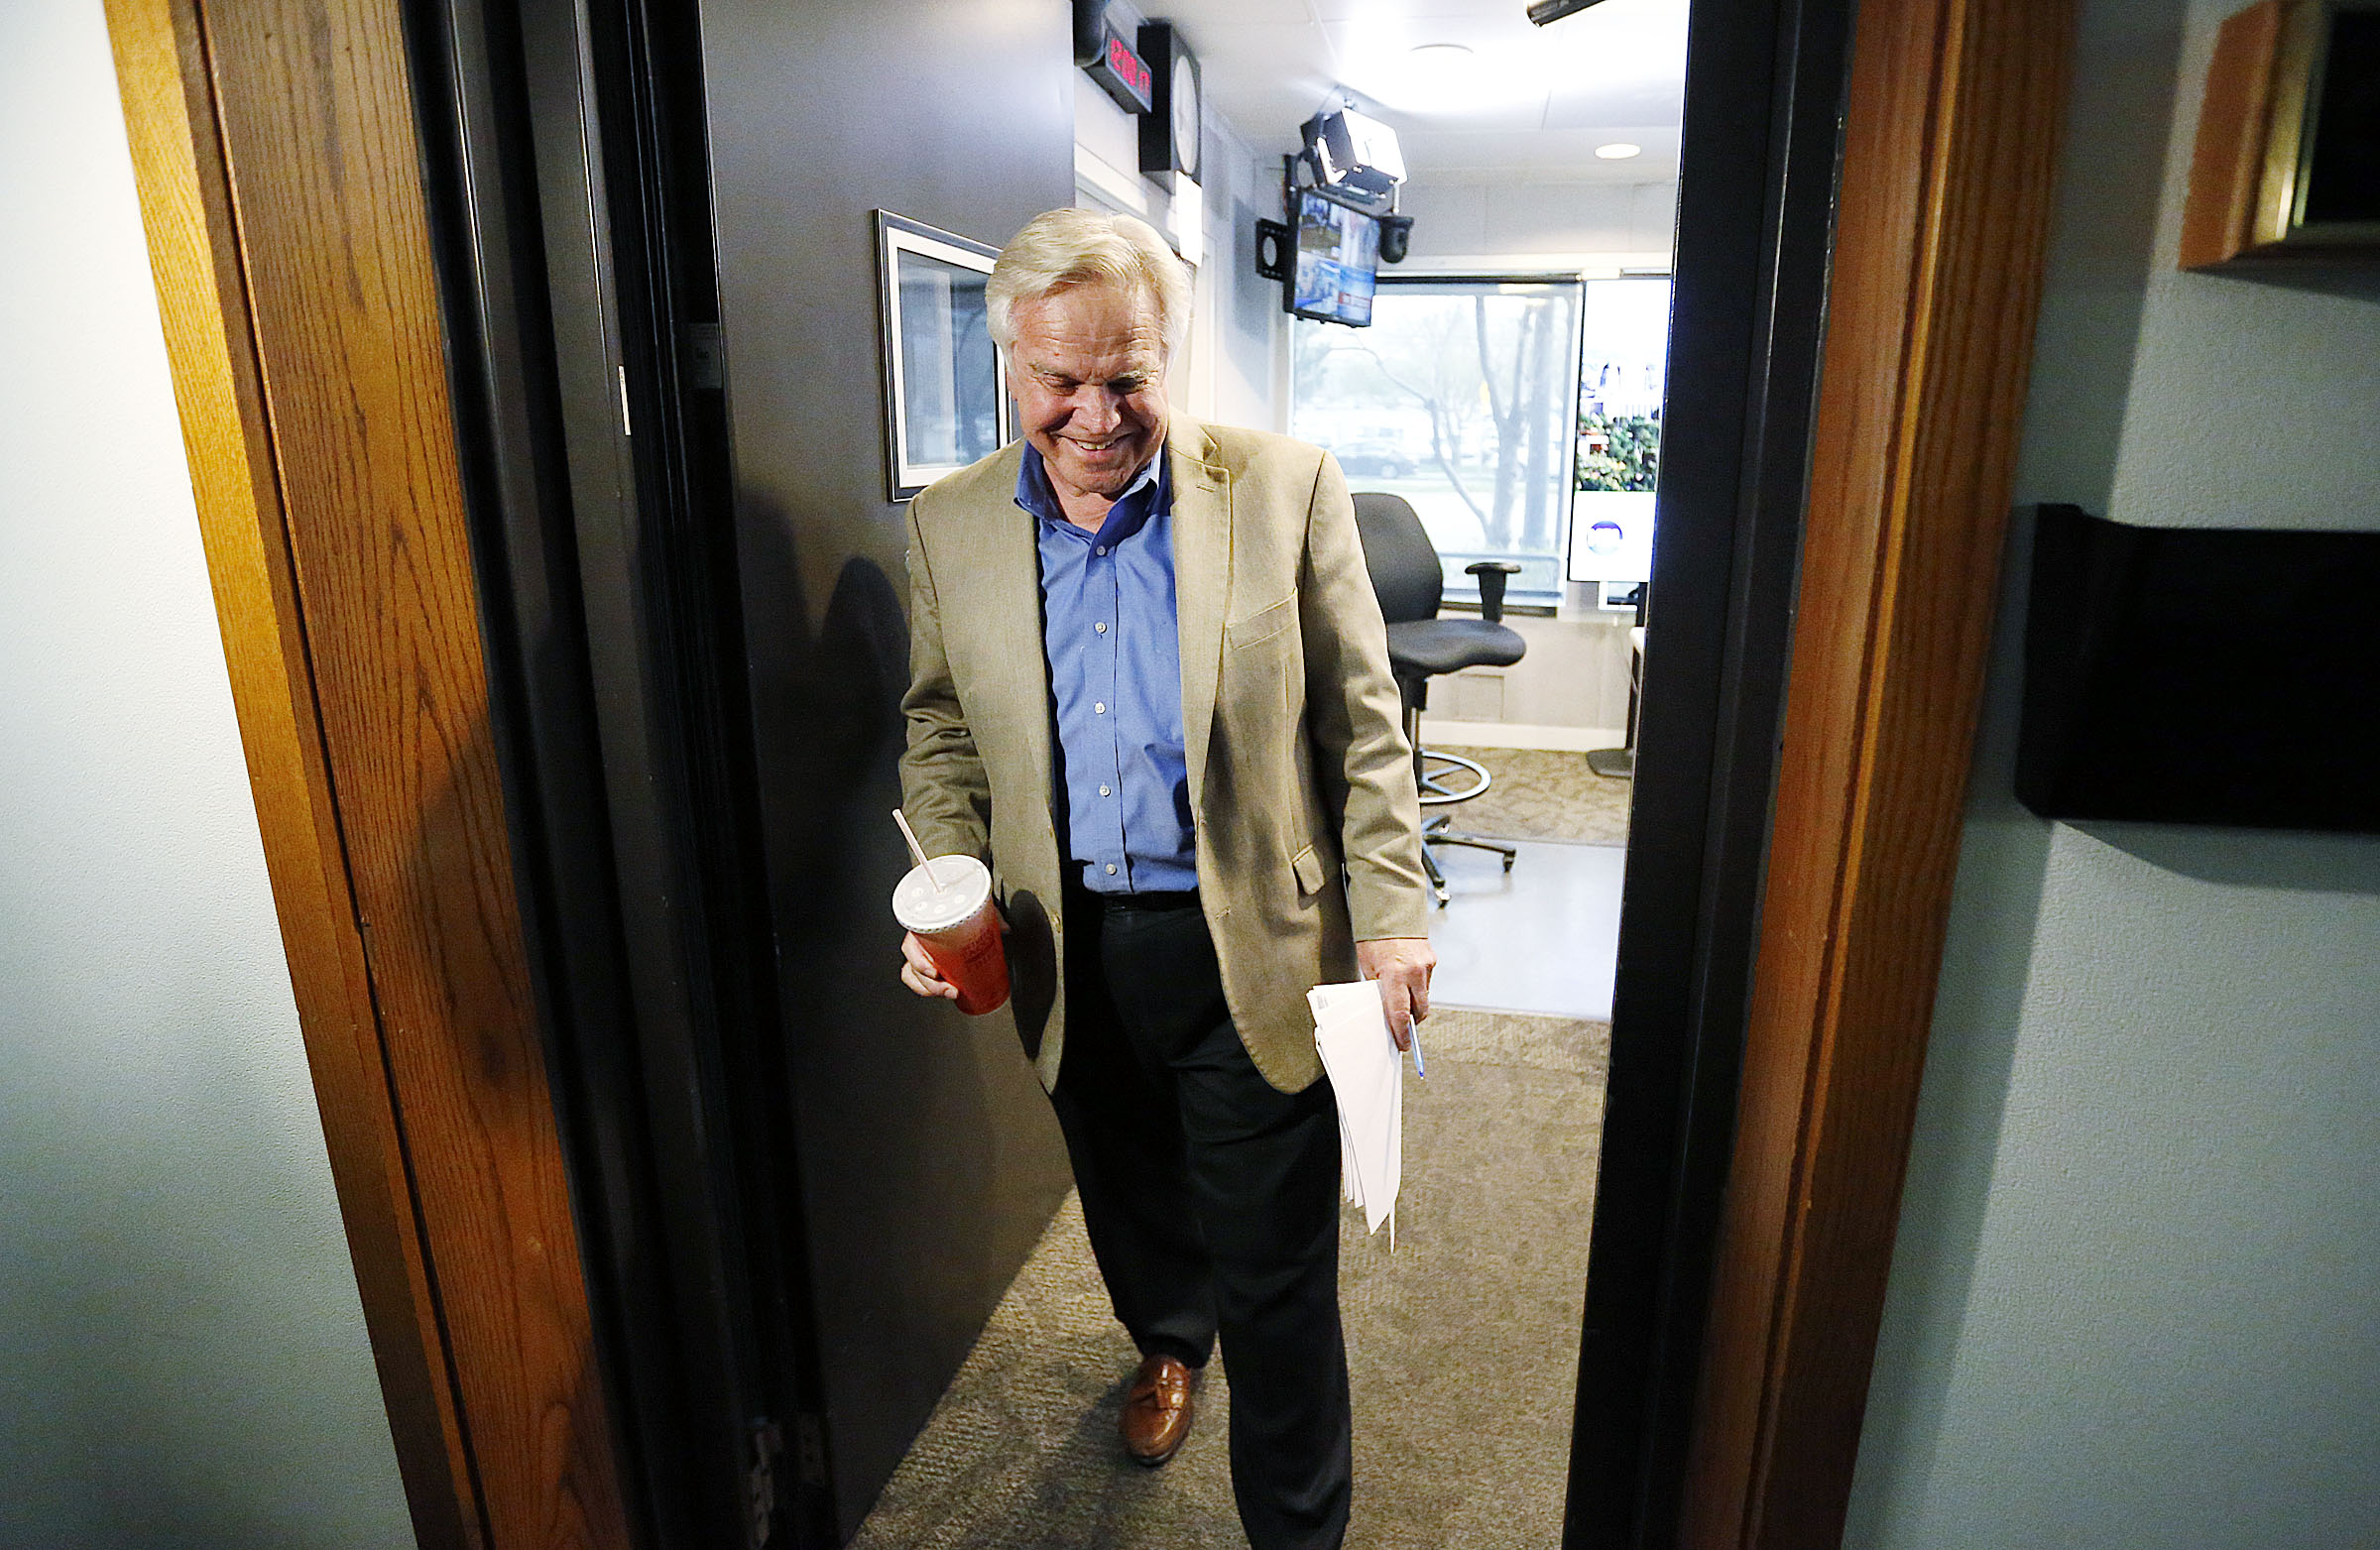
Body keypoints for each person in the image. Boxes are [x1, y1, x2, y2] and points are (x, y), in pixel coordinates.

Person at [894, 206, 1433, 1550]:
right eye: (1057, 380)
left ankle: (1295, 1530)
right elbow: (943, 725)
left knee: (1282, 1286)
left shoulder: (1284, 484)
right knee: (1132, 1200)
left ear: (1168, 357)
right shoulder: (951, 523)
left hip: (1254, 938)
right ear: (1010, 362)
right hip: (1065, 945)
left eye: (1125, 376)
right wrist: (952, 874)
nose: (1091, 414)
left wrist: (1396, 913)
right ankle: (1164, 1341)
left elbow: (1363, 725)